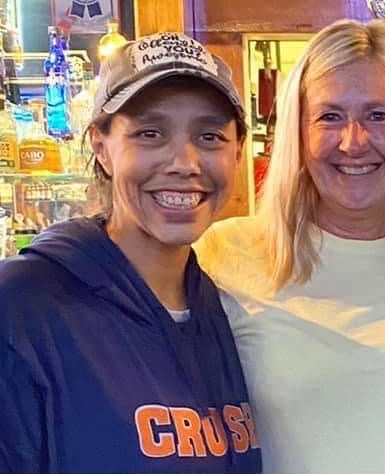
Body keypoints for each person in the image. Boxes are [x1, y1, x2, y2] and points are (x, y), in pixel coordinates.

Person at [195, 19, 385, 474]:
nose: (354, 142)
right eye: (329, 116)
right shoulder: (223, 254)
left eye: (378, 115)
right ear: (298, 134)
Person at [0, 32, 261, 474]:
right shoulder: (23, 306)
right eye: (150, 133)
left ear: (237, 151)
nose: (185, 163)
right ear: (102, 147)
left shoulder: (224, 308)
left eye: (210, 136)